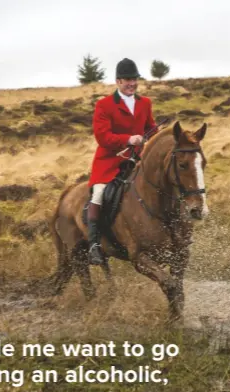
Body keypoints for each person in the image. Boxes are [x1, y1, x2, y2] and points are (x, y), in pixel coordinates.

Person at [87, 58, 157, 265]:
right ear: (118, 81)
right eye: (127, 80)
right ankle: (94, 245)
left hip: (137, 160)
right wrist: (128, 139)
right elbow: (102, 137)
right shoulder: (104, 105)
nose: (132, 83)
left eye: (134, 79)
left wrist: (155, 139)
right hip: (109, 162)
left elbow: (150, 127)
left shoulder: (145, 103)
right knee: (99, 194)